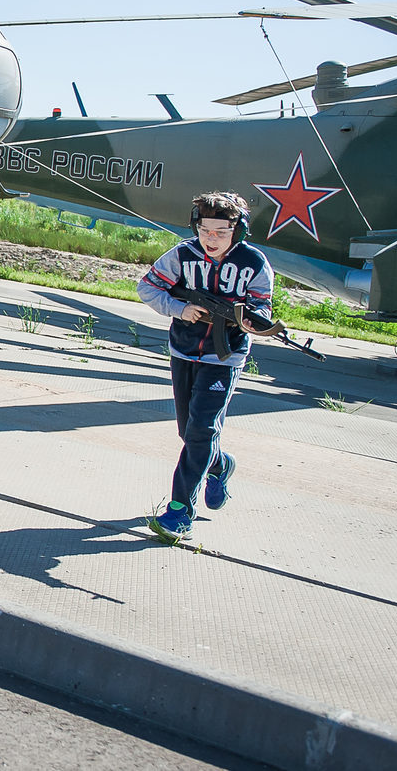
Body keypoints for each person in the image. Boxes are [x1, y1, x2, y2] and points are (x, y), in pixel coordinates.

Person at [136, 191, 274, 541]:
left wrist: (244, 320)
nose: (211, 239)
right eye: (205, 230)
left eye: (221, 232)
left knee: (201, 430)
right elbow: (148, 287)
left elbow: (263, 310)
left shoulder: (255, 263)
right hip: (183, 352)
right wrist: (180, 309)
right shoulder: (182, 254)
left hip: (224, 358)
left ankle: (180, 512)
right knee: (189, 433)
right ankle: (220, 464)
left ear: (238, 231)